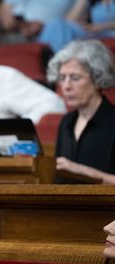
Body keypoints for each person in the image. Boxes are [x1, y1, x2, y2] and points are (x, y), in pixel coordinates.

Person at [46, 39, 115, 184]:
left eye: (75, 78)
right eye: (62, 78)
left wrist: (84, 172)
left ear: (97, 80)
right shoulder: (66, 122)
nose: (66, 86)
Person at [0, 0, 85, 57]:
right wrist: (18, 24)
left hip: (43, 33)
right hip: (14, 28)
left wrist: (41, 26)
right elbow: (4, 10)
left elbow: (71, 22)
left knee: (57, 26)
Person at [39, 0, 115, 52]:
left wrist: (103, 26)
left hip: (110, 33)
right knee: (56, 24)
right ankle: (55, 56)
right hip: (96, 34)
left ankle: (58, 59)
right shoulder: (95, 2)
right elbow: (70, 21)